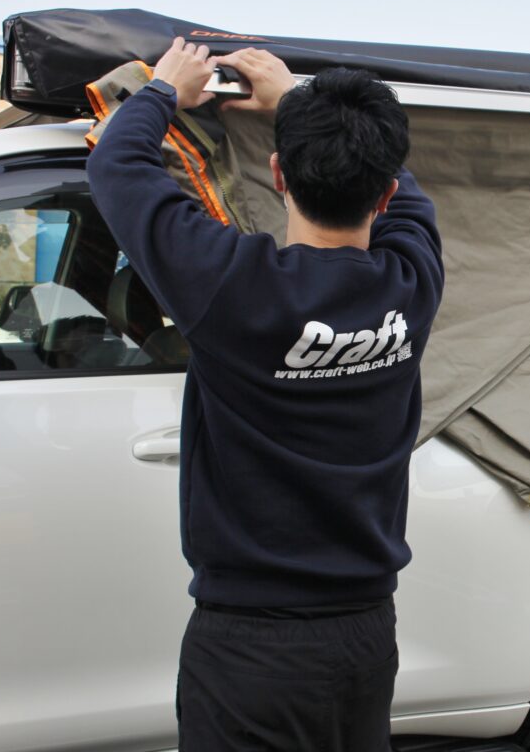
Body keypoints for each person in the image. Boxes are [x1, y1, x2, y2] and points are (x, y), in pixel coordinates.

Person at [86, 37, 444, 751]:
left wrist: (164, 88)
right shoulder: (412, 282)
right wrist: (292, 103)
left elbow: (115, 165)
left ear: (279, 174)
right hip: (366, 640)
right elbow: (405, 191)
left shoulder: (233, 287)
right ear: (383, 196)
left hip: (250, 651)